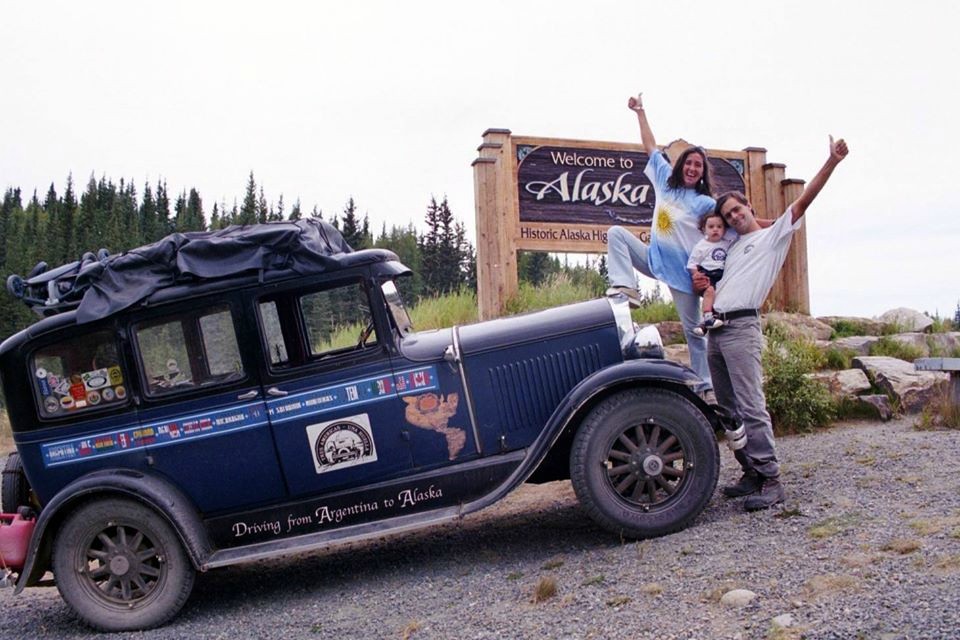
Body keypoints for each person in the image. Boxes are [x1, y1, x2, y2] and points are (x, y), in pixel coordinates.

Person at [709, 134, 849, 511]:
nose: (735, 218)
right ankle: (750, 472)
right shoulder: (732, 245)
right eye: (729, 216)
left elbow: (804, 201)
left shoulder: (774, 237)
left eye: (738, 211)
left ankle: (771, 479)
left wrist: (831, 161)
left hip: (741, 329)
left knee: (751, 404)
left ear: (748, 207)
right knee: (728, 409)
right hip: (716, 331)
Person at [606, 93, 728, 395]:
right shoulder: (663, 180)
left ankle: (706, 386)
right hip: (653, 259)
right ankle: (625, 288)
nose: (693, 168)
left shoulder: (703, 202)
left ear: (702, 172)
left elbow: (730, 219)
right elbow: (650, 146)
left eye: (699, 165)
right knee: (616, 234)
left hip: (683, 275)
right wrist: (640, 112)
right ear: (681, 165)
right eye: (689, 163)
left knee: (694, 332)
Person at [687, 211, 732, 335]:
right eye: (711, 227)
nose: (715, 230)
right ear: (704, 229)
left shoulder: (727, 243)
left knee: (719, 298)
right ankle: (707, 317)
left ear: (725, 229)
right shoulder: (701, 246)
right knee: (710, 292)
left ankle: (704, 326)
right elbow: (692, 263)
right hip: (708, 273)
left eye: (719, 226)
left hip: (722, 274)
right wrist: (696, 274)